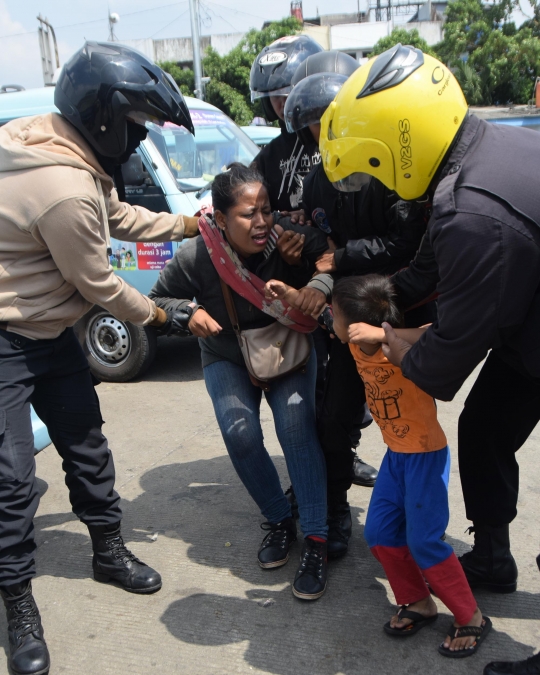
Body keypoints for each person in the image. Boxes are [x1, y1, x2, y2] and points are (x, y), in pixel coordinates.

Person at [0, 41, 199, 675]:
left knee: (86, 446)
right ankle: (17, 602)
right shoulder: (61, 187)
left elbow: (117, 216)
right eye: (137, 123)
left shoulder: (59, 146)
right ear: (106, 116)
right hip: (6, 340)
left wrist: (192, 225)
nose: (138, 137)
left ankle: (108, 552)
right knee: (9, 480)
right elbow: (102, 286)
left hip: (52, 335)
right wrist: (167, 314)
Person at [319, 43, 540, 601]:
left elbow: (442, 364)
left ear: (401, 144)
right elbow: (419, 277)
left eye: (376, 168)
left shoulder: (470, 215)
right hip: (530, 333)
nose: (385, 187)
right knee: (486, 427)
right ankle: (492, 559)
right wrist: (350, 300)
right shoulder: (481, 152)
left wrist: (381, 337)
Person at [149, 164, 332, 601]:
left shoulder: (286, 237)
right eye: (250, 214)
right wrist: (187, 314)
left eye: (267, 210)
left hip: (288, 349)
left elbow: (328, 255)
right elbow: (156, 298)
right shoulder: (196, 254)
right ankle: (278, 520)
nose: (263, 222)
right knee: (240, 433)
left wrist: (316, 283)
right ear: (221, 219)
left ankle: (318, 541)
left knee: (296, 429)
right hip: (226, 353)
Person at [281, 50, 430, 557]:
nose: (321, 137)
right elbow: (321, 242)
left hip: (394, 319)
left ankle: (419, 522)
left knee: (407, 422)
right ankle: (337, 508)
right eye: (312, 129)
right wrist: (301, 239)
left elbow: (404, 245)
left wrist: (340, 255)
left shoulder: (389, 168)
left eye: (328, 125)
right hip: (342, 323)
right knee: (336, 416)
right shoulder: (320, 176)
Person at [250, 35, 323, 213]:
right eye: (276, 97)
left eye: (288, 95)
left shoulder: (337, 142)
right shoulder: (266, 158)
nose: (283, 104)